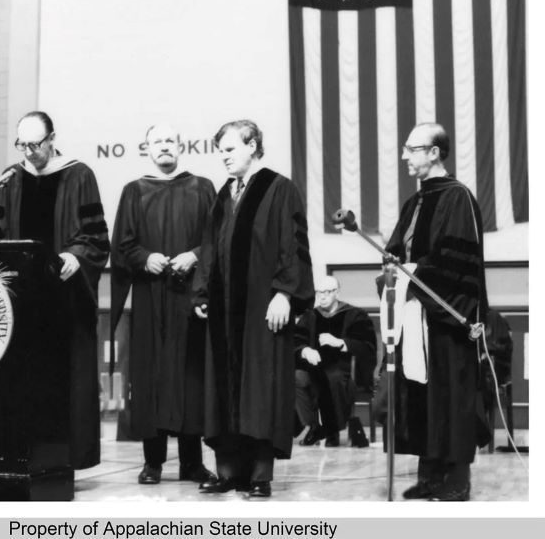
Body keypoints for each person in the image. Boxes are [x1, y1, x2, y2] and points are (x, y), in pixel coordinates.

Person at [0, 110, 109, 470]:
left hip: (64, 300)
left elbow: (96, 237)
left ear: (52, 139)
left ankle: (64, 461)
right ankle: (22, 456)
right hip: (20, 301)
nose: (29, 152)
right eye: (22, 144)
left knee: (63, 380)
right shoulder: (12, 178)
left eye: (36, 144)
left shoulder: (80, 174)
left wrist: (75, 255)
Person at [193, 119, 314, 498]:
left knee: (260, 391)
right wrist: (201, 294)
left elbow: (292, 245)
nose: (224, 158)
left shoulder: (279, 189)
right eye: (221, 151)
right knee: (224, 391)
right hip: (224, 314)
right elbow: (209, 248)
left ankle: (260, 474)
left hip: (262, 310)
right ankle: (228, 470)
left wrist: (284, 293)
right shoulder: (223, 194)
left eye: (230, 149)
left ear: (252, 145)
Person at [377, 122, 489, 501]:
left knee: (448, 396)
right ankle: (429, 476)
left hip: (446, 317)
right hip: (413, 312)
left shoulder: (458, 198)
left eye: (412, 149)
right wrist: (392, 268)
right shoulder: (415, 202)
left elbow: (456, 262)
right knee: (420, 393)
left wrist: (416, 274)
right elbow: (397, 250)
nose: (405, 156)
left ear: (434, 152)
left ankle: (456, 480)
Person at [110, 123, 217, 486]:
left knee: (191, 377)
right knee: (151, 377)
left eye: (170, 140)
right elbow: (123, 244)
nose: (165, 146)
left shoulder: (202, 187)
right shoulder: (134, 191)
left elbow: (217, 239)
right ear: (147, 148)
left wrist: (195, 255)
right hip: (150, 297)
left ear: (181, 145)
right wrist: (145, 257)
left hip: (189, 297)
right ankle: (152, 462)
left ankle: (192, 463)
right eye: (157, 142)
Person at [294, 275, 377, 447]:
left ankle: (332, 430)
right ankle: (314, 426)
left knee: (333, 378)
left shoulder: (355, 315)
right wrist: (305, 350)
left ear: (337, 292)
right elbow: (295, 341)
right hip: (312, 367)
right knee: (297, 377)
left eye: (327, 292)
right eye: (319, 292)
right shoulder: (310, 316)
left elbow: (367, 346)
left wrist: (341, 343)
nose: (322, 296)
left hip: (343, 368)